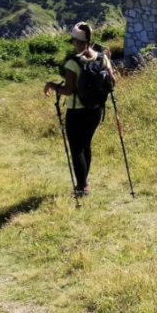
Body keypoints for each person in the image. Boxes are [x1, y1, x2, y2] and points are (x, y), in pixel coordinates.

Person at [43, 22, 116, 196]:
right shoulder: (102, 58)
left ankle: (82, 187)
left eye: (73, 40)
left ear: (77, 41)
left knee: (76, 149)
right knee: (86, 145)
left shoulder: (73, 62)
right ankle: (84, 181)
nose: (72, 43)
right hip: (96, 110)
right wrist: (109, 62)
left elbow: (67, 90)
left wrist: (51, 85)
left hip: (76, 111)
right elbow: (112, 81)